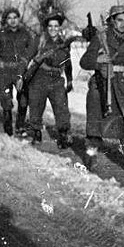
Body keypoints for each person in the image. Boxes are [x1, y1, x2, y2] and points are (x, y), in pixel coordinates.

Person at [79, 4, 124, 175]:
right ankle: (91, 154)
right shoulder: (101, 38)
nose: (123, 24)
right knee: (95, 122)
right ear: (112, 21)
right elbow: (85, 62)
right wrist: (98, 61)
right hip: (103, 85)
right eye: (119, 20)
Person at [23, 12, 74, 148]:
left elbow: (68, 63)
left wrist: (69, 79)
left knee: (61, 107)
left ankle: (63, 134)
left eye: (56, 26)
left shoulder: (64, 43)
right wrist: (21, 75)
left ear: (59, 28)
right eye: (50, 26)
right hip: (40, 76)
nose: (53, 29)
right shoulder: (39, 41)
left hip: (57, 79)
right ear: (46, 27)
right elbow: (28, 57)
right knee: (36, 105)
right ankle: (36, 131)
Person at [0, 7, 35, 136]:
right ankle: (8, 131)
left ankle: (20, 126)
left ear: (19, 19)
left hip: (20, 70)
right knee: (6, 101)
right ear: (6, 20)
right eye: (9, 18)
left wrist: (27, 60)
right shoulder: (0, 33)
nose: (13, 21)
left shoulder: (26, 34)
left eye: (15, 17)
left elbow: (32, 49)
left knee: (24, 99)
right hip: (3, 71)